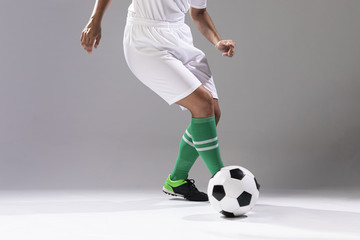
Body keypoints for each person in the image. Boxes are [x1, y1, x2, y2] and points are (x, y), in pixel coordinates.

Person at [80, 0, 235, 201]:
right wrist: (95, 20)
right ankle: (223, 182)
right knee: (203, 104)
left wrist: (217, 41)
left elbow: (198, 12)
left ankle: (177, 180)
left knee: (212, 113)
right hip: (145, 38)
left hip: (179, 36)